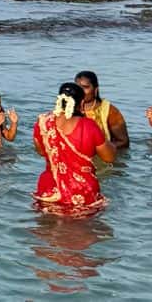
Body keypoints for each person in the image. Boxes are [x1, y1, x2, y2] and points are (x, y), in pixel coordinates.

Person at [33, 82, 116, 216]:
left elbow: (41, 152)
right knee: (83, 233)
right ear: (82, 103)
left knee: (48, 231)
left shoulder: (43, 122)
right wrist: (111, 143)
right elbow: (109, 157)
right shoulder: (88, 126)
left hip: (50, 187)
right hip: (82, 191)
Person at [75, 70, 129, 148]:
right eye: (77, 87)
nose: (80, 91)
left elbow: (123, 142)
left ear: (96, 89)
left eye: (85, 87)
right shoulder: (68, 109)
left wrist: (101, 149)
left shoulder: (109, 110)